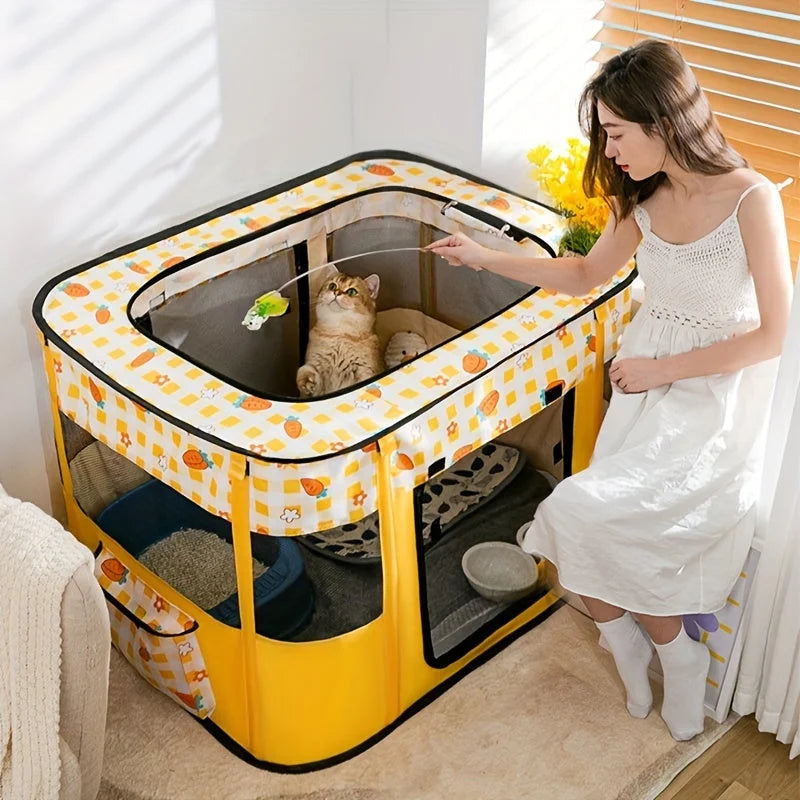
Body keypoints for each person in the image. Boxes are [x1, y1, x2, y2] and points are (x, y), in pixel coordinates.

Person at [427, 39, 792, 741]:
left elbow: (771, 336)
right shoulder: (642, 204)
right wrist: (481, 256)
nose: (610, 150)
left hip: (707, 404)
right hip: (643, 390)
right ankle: (636, 646)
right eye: (604, 134)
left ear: (664, 122)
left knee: (614, 531)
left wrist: (661, 371)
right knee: (577, 531)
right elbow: (581, 274)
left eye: (618, 133)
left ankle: (675, 659)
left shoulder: (751, 200)